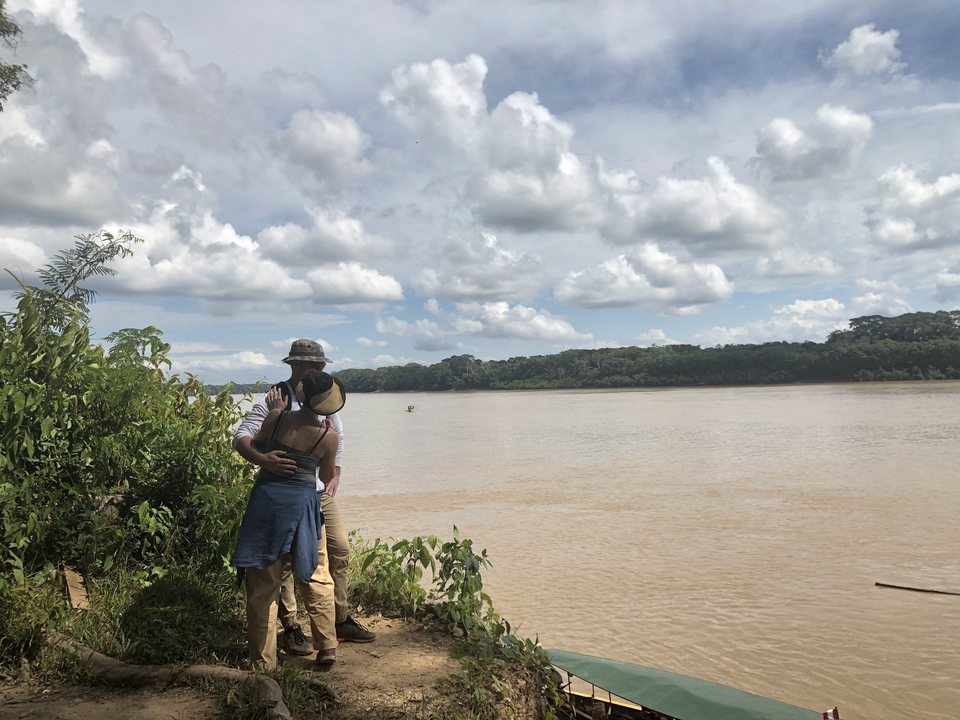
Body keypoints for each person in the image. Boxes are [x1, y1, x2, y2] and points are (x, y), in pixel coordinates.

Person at [232, 339, 375, 653]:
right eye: (313, 365)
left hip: (316, 495)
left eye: (321, 366)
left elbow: (337, 436)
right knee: (281, 564)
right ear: (295, 365)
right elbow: (243, 438)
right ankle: (292, 627)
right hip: (283, 492)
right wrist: (263, 459)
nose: (318, 370)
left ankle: (339, 621)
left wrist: (336, 473)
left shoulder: (325, 396)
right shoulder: (276, 399)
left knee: (338, 552)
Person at [231, 370, 343, 668]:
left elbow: (261, 446)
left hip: (267, 502)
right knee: (317, 574)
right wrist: (326, 438)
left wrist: (277, 413)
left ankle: (263, 662)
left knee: (263, 584)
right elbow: (328, 476)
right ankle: (327, 646)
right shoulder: (327, 435)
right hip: (303, 507)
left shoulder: (276, 417)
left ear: (303, 395)